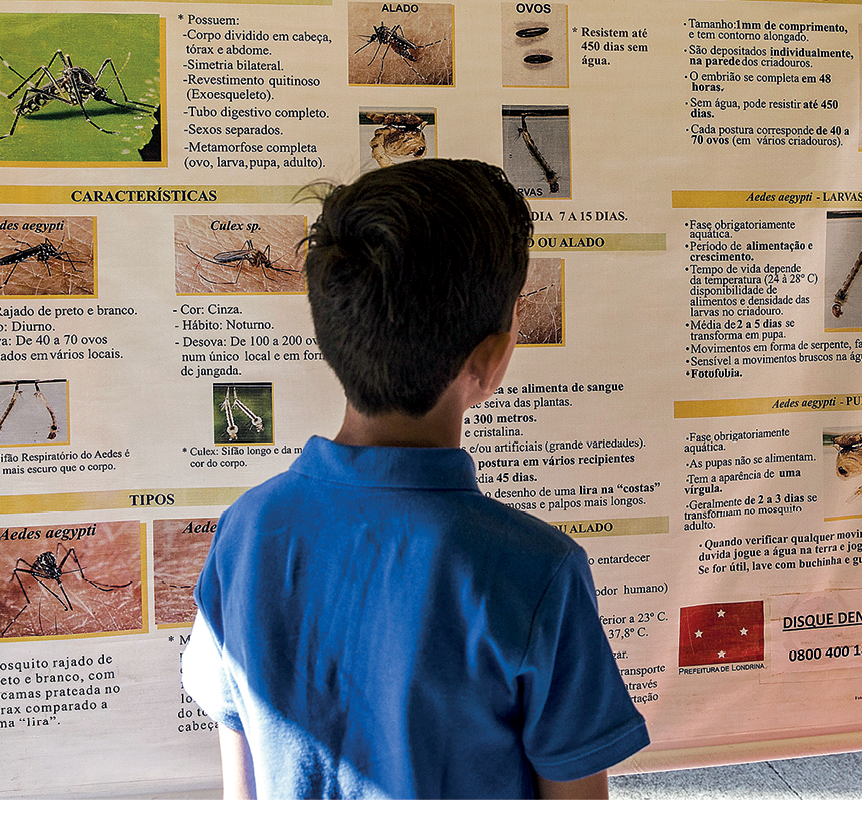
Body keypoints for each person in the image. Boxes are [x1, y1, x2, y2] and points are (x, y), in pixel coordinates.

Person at [181, 159, 649, 799]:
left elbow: (243, 782)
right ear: (489, 359)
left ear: (330, 333)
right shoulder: (539, 571)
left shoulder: (248, 527)